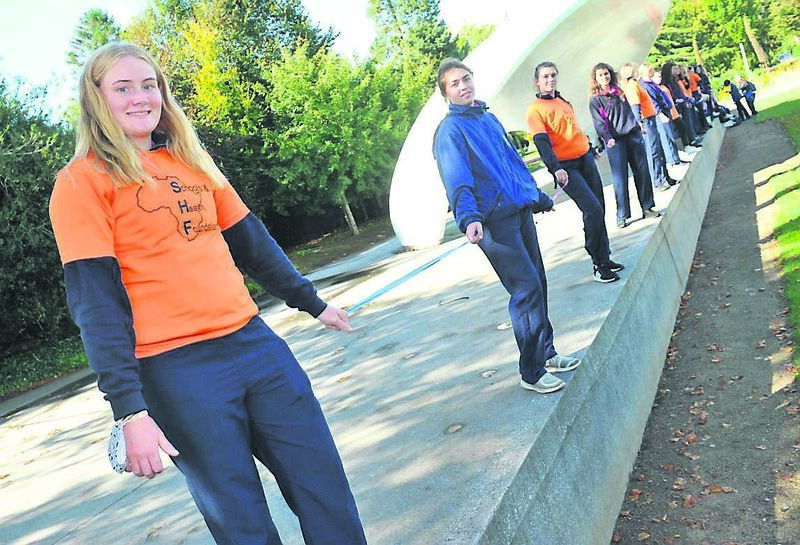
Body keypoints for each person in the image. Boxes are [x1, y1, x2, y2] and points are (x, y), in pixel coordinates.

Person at [48, 43, 367, 545]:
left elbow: (252, 243)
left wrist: (312, 302)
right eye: (123, 88)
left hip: (255, 345)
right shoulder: (81, 182)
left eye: (149, 85)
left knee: (323, 486)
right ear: (96, 99)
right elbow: (96, 302)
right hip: (175, 371)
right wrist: (129, 409)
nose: (140, 97)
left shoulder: (192, 161)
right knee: (242, 522)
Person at [432, 58, 581, 394]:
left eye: (466, 78)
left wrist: (537, 197)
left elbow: (512, 165)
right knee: (525, 288)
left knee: (538, 282)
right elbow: (457, 179)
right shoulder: (449, 131)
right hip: (492, 223)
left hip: (518, 213)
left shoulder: (487, 117)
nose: (463, 86)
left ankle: (546, 352)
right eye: (454, 83)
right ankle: (531, 371)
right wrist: (469, 217)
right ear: (446, 93)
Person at [526, 61, 625, 283]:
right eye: (545, 77)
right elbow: (542, 143)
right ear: (537, 81)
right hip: (566, 167)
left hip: (584, 159)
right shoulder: (535, 110)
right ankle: (598, 264)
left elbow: (574, 131)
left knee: (600, 207)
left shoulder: (563, 102)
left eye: (553, 75)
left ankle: (605, 257)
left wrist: (589, 148)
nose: (550, 80)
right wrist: (555, 168)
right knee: (592, 209)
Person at [589, 62, 661, 229]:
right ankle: (622, 215)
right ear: (596, 79)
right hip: (615, 141)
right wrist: (607, 138)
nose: (604, 77)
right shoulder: (596, 99)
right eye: (600, 75)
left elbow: (628, 111)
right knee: (620, 178)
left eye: (606, 74)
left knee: (642, 171)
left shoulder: (618, 91)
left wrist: (638, 125)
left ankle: (647, 206)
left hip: (632, 135)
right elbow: (599, 122)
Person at [619, 62, 677, 192]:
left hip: (650, 118)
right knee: (653, 151)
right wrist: (640, 123)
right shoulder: (632, 86)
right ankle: (657, 180)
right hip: (646, 121)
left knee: (658, 149)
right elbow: (635, 105)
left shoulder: (635, 84)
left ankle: (665, 177)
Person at [640, 63, 685, 169]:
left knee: (670, 136)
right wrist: (660, 113)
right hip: (660, 113)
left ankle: (676, 158)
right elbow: (653, 101)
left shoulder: (651, 84)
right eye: (651, 70)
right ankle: (673, 160)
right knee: (666, 137)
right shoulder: (646, 86)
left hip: (666, 109)